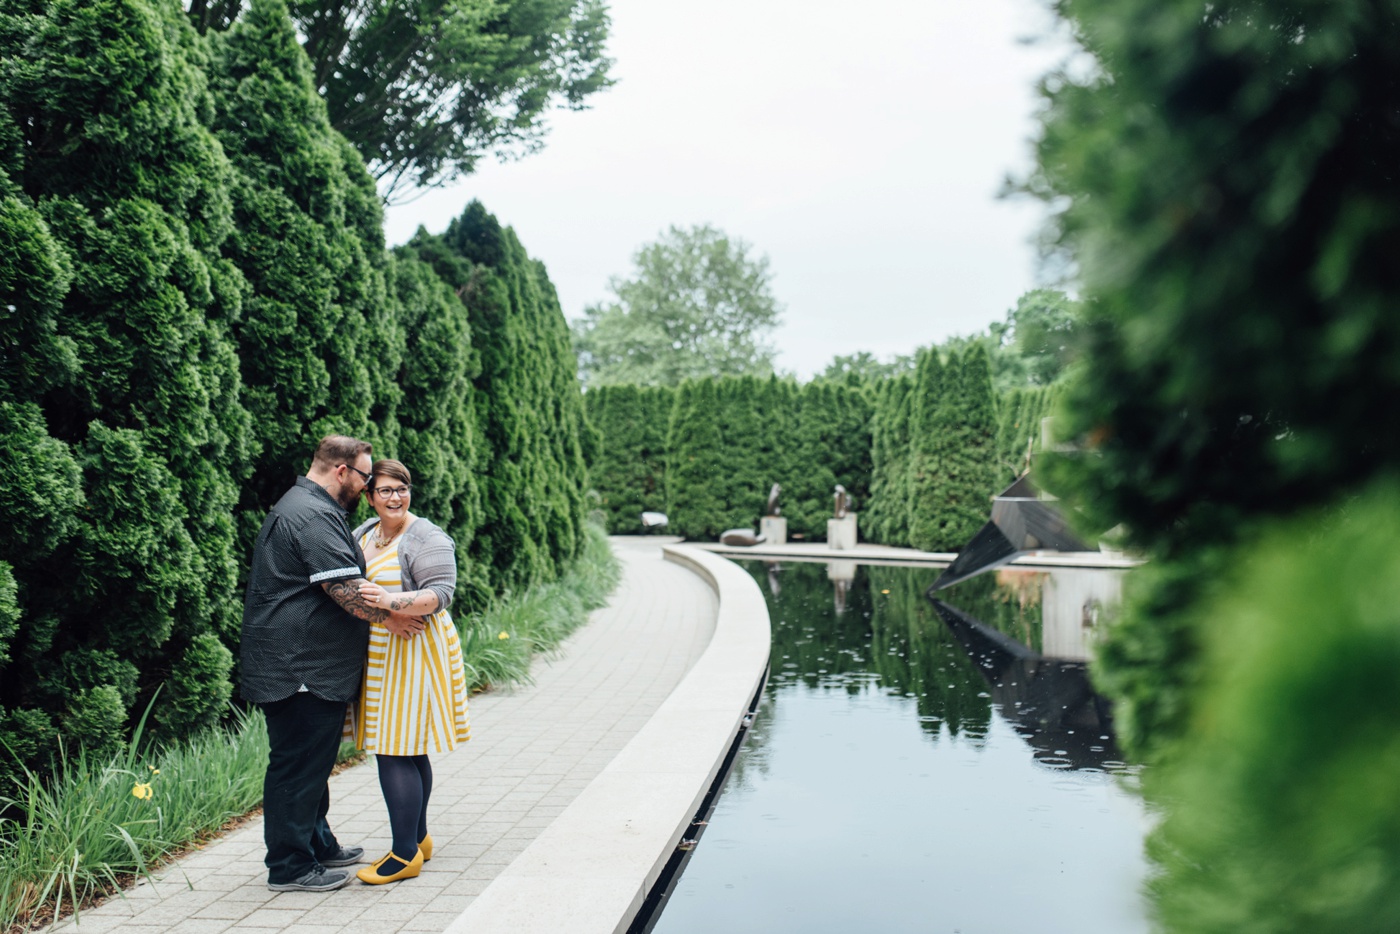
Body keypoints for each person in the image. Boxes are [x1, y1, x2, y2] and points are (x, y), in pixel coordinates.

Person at [240, 436, 425, 893]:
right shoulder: (312, 514)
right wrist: (391, 617)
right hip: (298, 668)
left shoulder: (305, 504)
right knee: (296, 768)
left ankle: (318, 844)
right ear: (342, 471)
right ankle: (289, 865)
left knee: (312, 764)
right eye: (365, 477)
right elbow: (344, 589)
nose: (366, 487)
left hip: (301, 663)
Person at [351, 458, 471, 884]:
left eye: (401, 488)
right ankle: (418, 838)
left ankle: (403, 856)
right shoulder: (365, 533)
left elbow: (441, 595)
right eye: (384, 490)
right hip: (383, 650)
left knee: (393, 747)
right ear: (369, 496)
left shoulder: (425, 535)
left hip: (417, 649)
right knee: (407, 746)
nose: (395, 497)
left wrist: (387, 604)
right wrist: (381, 614)